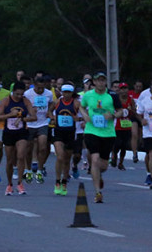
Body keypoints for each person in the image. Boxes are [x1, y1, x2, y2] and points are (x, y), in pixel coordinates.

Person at [78, 72, 122, 203]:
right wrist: (85, 115)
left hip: (108, 133)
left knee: (103, 165)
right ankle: (98, 192)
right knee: (94, 159)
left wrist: (113, 115)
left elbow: (121, 111)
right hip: (92, 131)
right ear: (94, 83)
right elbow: (81, 106)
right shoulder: (88, 95)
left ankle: (98, 175)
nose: (101, 83)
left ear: (106, 82)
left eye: (103, 80)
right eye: (98, 80)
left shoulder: (112, 96)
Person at [0, 81, 37, 196]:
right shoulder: (6, 101)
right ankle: (9, 184)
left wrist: (23, 119)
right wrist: (10, 115)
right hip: (8, 132)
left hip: (21, 132)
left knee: (21, 156)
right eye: (17, 94)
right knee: (10, 160)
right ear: (13, 92)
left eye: (21, 94)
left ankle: (20, 183)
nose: (19, 96)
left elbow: (34, 117)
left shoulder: (25, 101)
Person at [50, 83, 80, 196]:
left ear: (72, 93)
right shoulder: (57, 102)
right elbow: (49, 111)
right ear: (61, 92)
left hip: (70, 133)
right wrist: (52, 118)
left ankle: (64, 182)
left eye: (68, 92)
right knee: (60, 156)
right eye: (64, 92)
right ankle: (57, 181)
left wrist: (79, 119)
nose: (66, 94)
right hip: (58, 133)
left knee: (67, 159)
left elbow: (84, 115)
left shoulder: (76, 103)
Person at [23, 76, 53, 184]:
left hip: (43, 123)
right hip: (31, 123)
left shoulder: (48, 93)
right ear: (34, 85)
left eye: (42, 88)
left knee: (43, 146)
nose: (40, 90)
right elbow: (24, 106)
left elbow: (51, 103)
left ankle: (40, 170)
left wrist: (49, 112)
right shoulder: (27, 94)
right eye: (38, 88)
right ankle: (28, 170)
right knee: (29, 148)